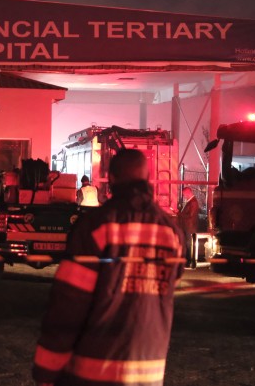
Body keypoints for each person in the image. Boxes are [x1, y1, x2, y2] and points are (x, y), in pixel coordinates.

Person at [33, 149, 184, 386]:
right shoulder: (171, 233)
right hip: (149, 373)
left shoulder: (96, 227)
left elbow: (68, 304)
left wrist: (46, 371)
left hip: (93, 372)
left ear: (111, 179)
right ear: (147, 178)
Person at [178, 187, 201, 269]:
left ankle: (188, 261)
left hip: (189, 227)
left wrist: (180, 214)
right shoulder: (191, 202)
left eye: (184, 194)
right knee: (187, 244)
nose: (184, 196)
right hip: (188, 226)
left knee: (188, 244)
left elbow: (190, 215)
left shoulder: (193, 202)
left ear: (188, 193)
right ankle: (187, 261)